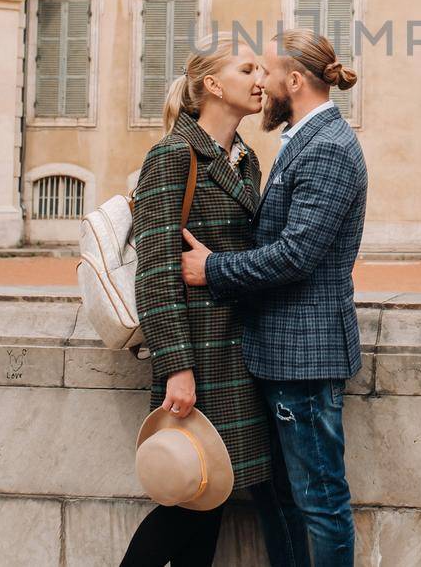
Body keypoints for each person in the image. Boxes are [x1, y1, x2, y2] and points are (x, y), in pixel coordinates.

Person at [181, 29, 367, 567]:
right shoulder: (304, 140)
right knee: (282, 499)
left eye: (265, 72)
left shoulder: (327, 147)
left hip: (303, 359)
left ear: (294, 80)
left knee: (320, 502)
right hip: (283, 353)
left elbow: (295, 255)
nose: (260, 82)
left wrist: (212, 268)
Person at [122, 39, 271, 567]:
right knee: (189, 496)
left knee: (212, 494)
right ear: (212, 85)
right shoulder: (172, 155)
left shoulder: (245, 158)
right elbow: (157, 272)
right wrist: (176, 369)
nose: (262, 80)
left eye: (264, 70)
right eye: (248, 68)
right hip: (201, 356)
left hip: (239, 351)